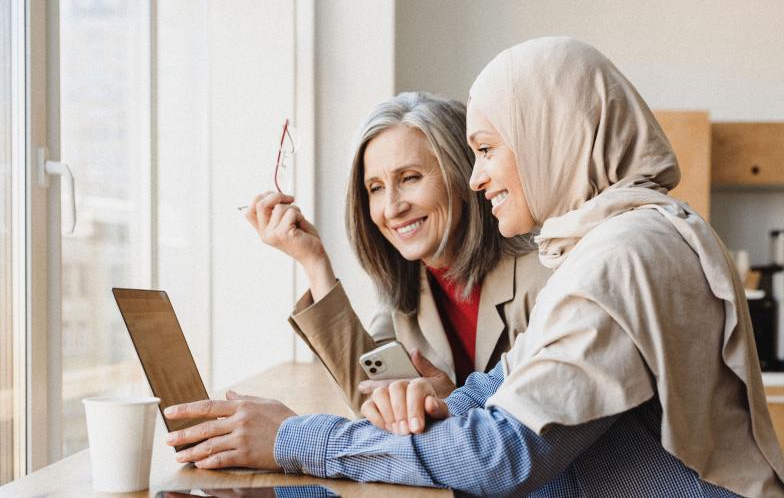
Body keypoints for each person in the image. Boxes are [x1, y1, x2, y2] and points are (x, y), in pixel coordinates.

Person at [164, 38, 784, 496]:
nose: (479, 173)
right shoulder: (614, 244)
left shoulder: (619, 260)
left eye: (485, 150)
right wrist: (434, 404)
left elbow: (501, 458)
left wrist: (293, 439)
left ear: (552, 134)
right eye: (376, 187)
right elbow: (485, 395)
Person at [244, 92, 550, 420]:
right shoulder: (408, 282)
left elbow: (532, 425)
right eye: (375, 188)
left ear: (463, 177)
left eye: (410, 178)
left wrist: (456, 403)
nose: (392, 208)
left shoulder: (543, 273)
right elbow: (371, 396)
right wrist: (314, 262)